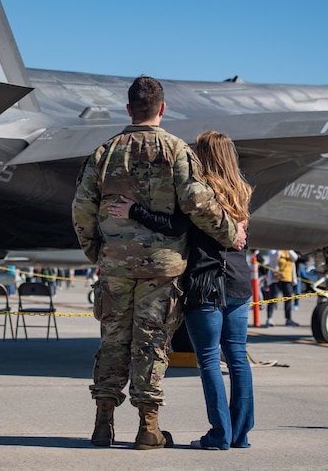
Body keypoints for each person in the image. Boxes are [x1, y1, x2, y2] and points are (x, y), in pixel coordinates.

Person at [72, 76, 244, 450]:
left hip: (116, 265)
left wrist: (98, 251)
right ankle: (147, 429)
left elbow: (81, 210)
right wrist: (232, 234)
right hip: (162, 268)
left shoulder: (104, 153)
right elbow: (199, 204)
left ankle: (103, 425)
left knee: (113, 340)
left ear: (129, 109)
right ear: (162, 109)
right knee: (151, 344)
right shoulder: (178, 151)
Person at [107, 129, 255, 450]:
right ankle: (240, 434)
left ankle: (220, 434)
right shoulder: (241, 189)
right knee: (238, 358)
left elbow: (174, 226)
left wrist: (133, 210)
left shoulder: (199, 190)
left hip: (206, 282)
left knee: (209, 360)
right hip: (240, 281)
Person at [265, 249, 299, 327]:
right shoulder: (273, 251)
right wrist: (279, 248)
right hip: (276, 279)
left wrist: (288, 249)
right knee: (273, 299)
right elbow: (275, 257)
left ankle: (288, 319)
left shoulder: (289, 252)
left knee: (288, 300)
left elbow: (295, 257)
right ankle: (269, 319)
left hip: (288, 279)